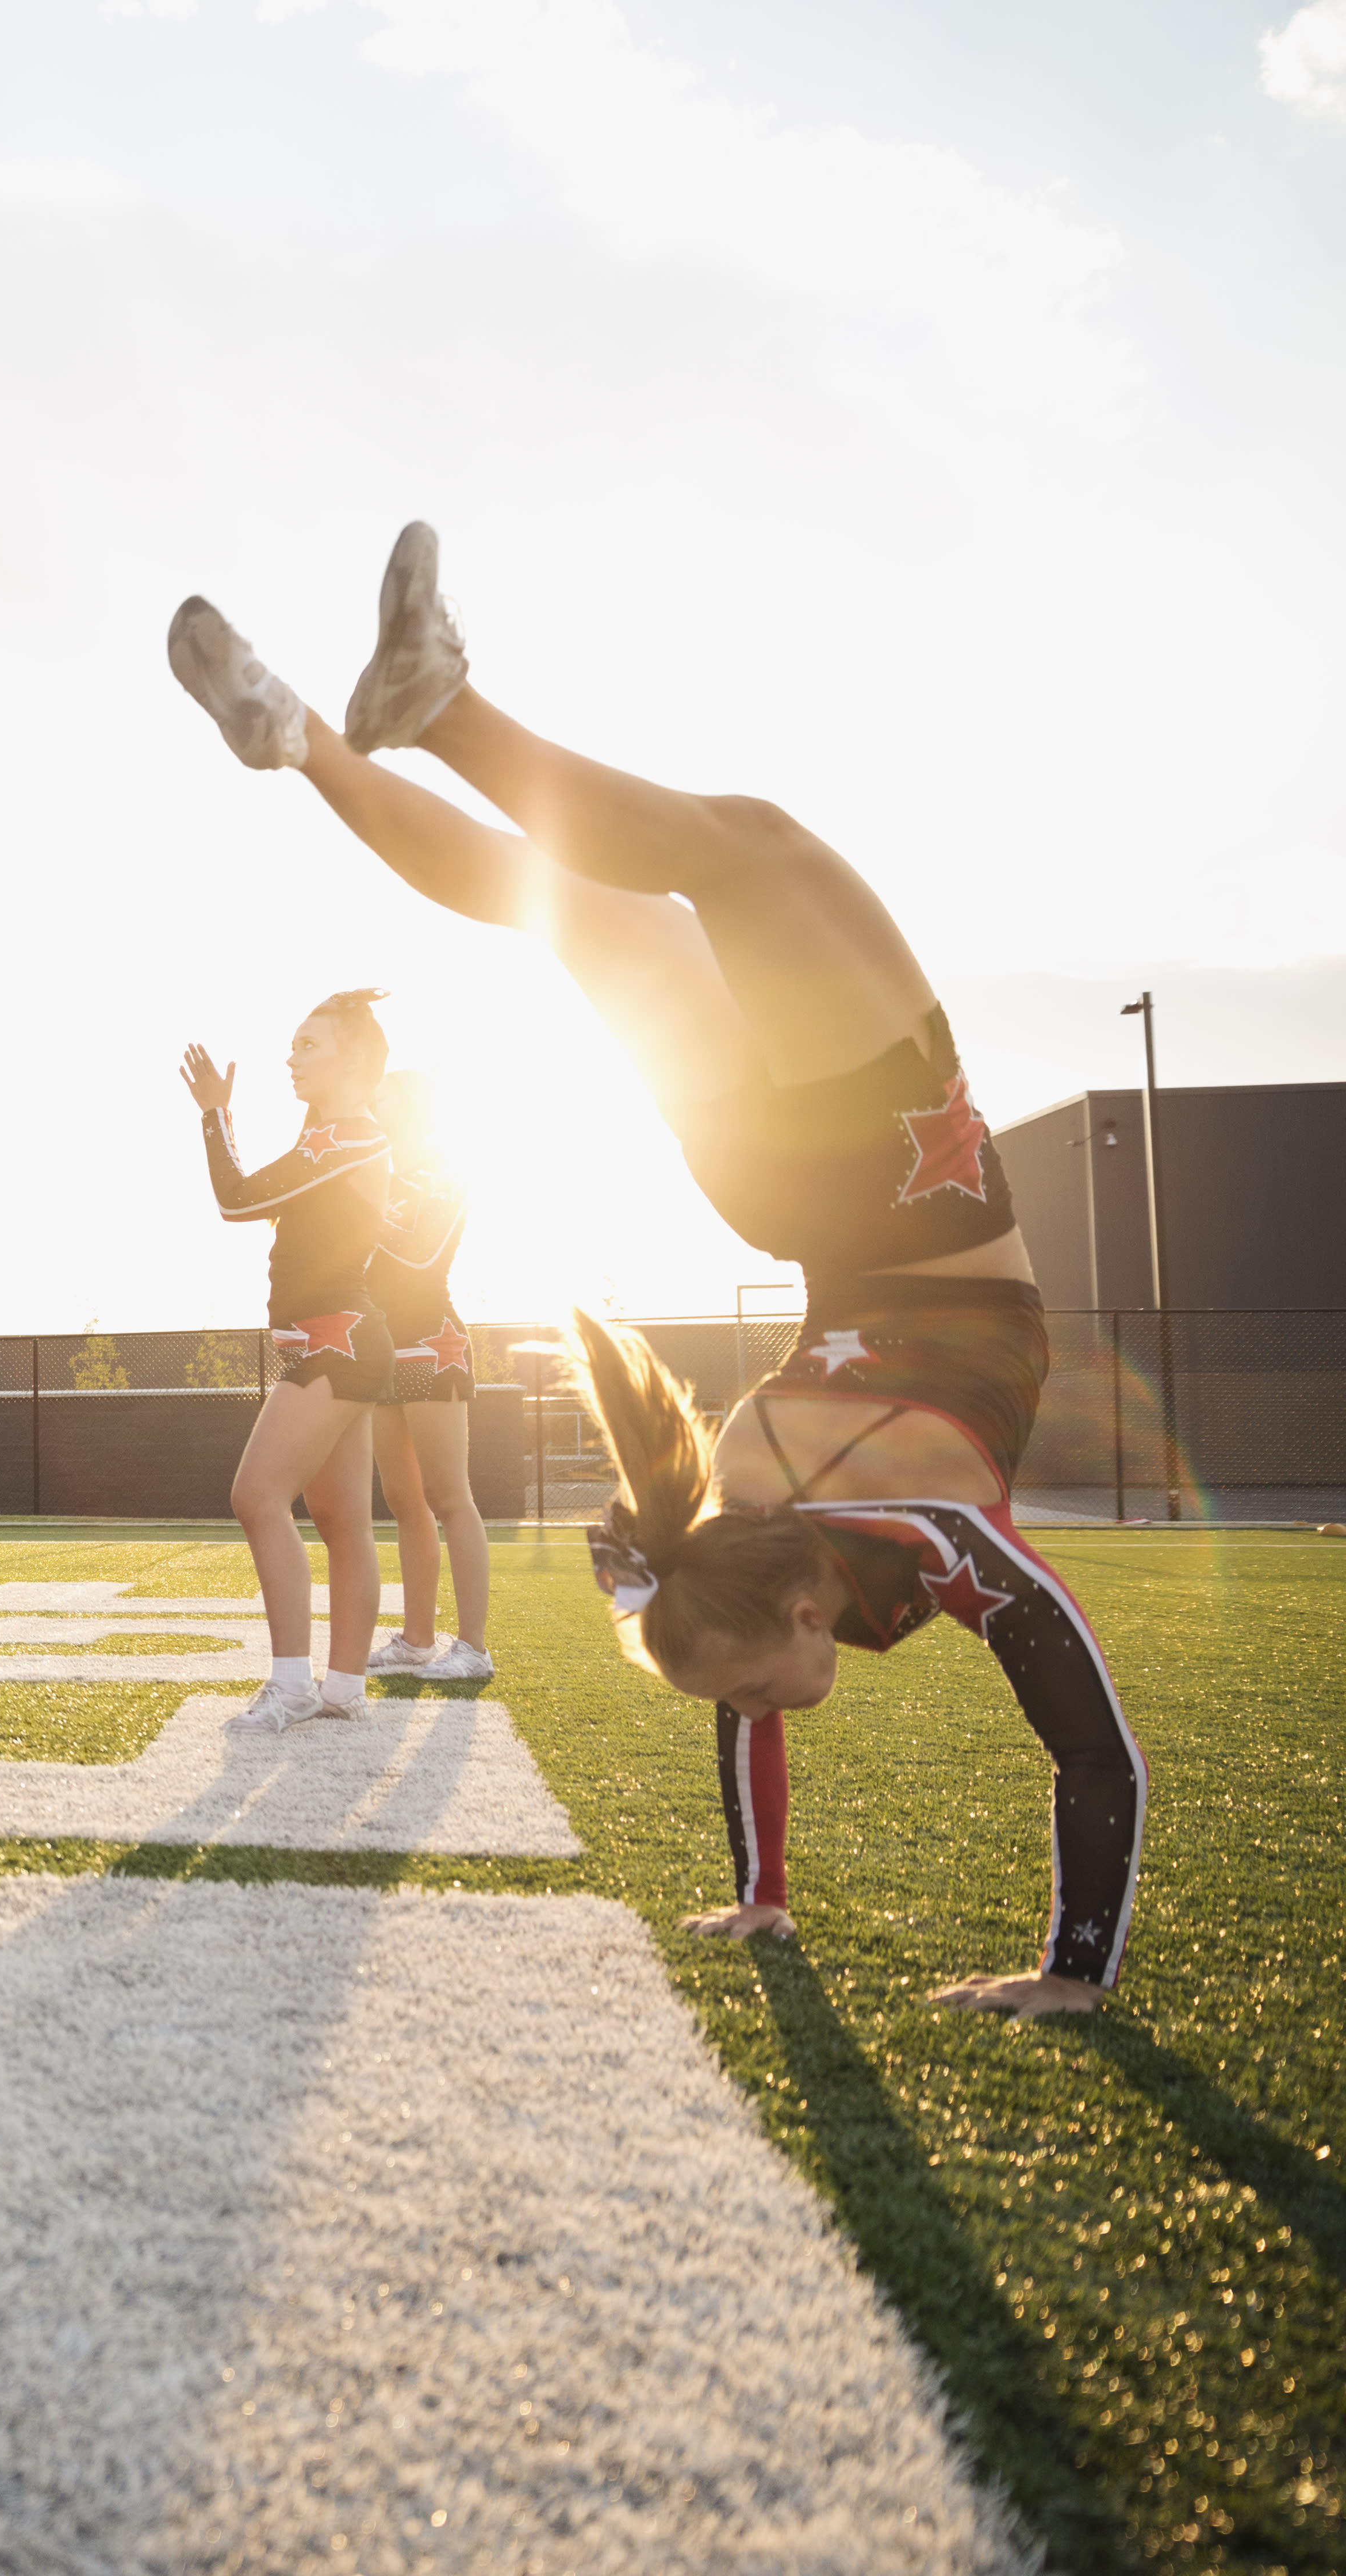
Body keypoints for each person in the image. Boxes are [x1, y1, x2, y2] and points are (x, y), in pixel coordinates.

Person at [165, 522, 1140, 2016]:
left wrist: (1074, 1973)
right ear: (803, 1611)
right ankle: (317, 737)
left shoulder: (876, 1545)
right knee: (631, 894)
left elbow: (1081, 1739)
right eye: (748, 1693)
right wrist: (764, 1894)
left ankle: (360, 729)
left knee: (727, 864)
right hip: (812, 1193)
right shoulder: (752, 1534)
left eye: (746, 1691)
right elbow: (800, 1681)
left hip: (879, 1191)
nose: (756, 1717)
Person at [182, 995, 396, 1734]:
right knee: (342, 1522)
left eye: (309, 1045)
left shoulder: (347, 1140)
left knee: (256, 1496)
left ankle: (292, 1683)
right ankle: (342, 1686)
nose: (291, 1056)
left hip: (335, 1342)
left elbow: (237, 1201)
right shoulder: (330, 1136)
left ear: (355, 1061)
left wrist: (215, 1113)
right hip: (337, 1341)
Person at [363, 1071, 492, 1683]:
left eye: (381, 1095)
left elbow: (417, 1252)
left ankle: (472, 1647)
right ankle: (417, 1640)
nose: (369, 1103)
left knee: (448, 1496)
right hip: (385, 1349)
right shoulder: (375, 1174)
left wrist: (354, 1211)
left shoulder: (445, 1170)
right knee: (402, 1501)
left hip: (431, 1345)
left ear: (413, 1107)